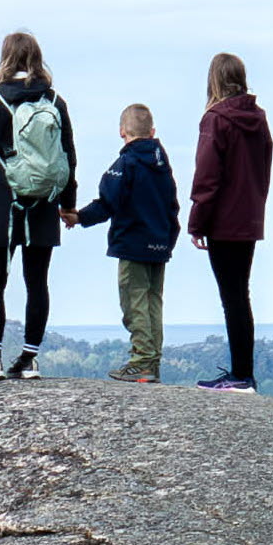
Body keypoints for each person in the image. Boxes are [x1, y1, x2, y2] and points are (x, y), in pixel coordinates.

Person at [0, 32, 77, 380]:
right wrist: (67, 203)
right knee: (37, 281)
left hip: (1, 199)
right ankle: (30, 358)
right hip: (43, 201)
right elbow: (68, 156)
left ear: (5, 58)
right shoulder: (55, 101)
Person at [72, 103, 180, 382]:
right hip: (159, 245)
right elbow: (173, 208)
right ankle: (152, 361)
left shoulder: (126, 164)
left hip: (133, 244)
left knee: (134, 302)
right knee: (153, 302)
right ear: (153, 131)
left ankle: (142, 361)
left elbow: (108, 202)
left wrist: (78, 217)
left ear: (122, 131)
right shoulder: (162, 166)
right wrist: (168, 242)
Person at [187, 52, 270, 393]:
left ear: (214, 80)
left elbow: (207, 175)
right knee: (241, 296)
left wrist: (197, 222)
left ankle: (240, 376)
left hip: (222, 221)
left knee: (231, 297)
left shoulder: (215, 119)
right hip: (249, 218)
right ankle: (243, 373)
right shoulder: (259, 119)